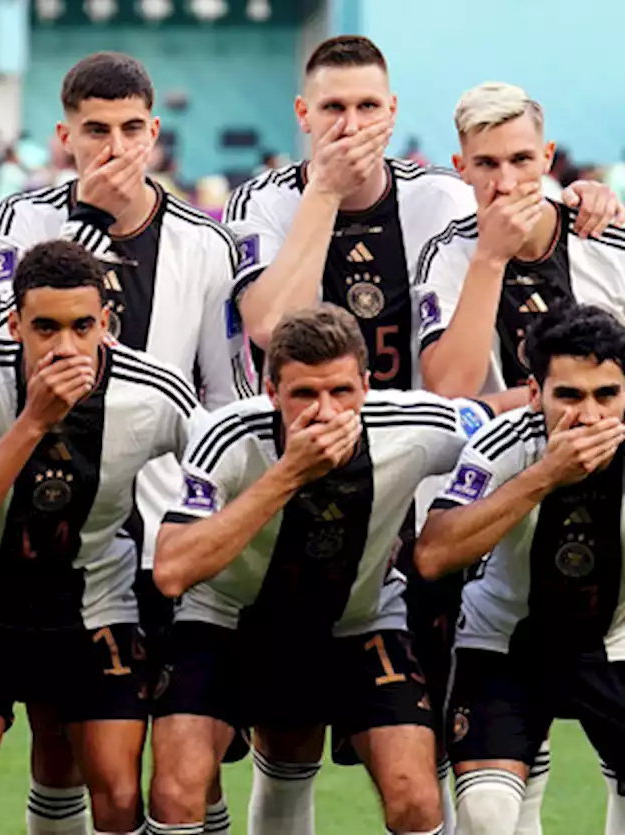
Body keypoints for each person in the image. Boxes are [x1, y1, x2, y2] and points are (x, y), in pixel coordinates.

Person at [223, 37, 622, 829]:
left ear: (393, 110)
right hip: (305, 482)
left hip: (438, 492)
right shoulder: (262, 202)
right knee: (290, 733)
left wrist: (582, 194)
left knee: (442, 745)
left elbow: (453, 388)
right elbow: (271, 327)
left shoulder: (442, 199)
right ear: (304, 115)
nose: (351, 124)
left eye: (368, 106)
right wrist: (326, 196)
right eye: (333, 108)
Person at [0, 51, 251, 834]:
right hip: (55, 519)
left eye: (131, 128)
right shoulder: (22, 222)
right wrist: (88, 223)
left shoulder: (205, 242)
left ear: (155, 132)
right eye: (95, 130)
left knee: (186, 748)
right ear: (65, 136)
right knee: (61, 743)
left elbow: (224, 394)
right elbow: (13, 348)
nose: (115, 147)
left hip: (164, 530)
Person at [150, 304, 498, 835]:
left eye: (341, 392)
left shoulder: (413, 424)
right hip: (226, 621)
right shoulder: (227, 436)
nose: (326, 412)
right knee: (176, 791)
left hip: (358, 623)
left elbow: (504, 423)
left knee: (415, 797)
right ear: (271, 393)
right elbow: (172, 570)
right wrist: (288, 474)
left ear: (366, 383)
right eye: (304, 395)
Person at [0, 240, 197, 835]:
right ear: (14, 323)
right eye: (45, 328)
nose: (65, 347)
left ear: (107, 324)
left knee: (120, 795)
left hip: (95, 601)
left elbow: (219, 468)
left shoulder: (154, 391)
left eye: (82, 327)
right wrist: (34, 420)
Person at [413, 303, 625, 835]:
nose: (591, 416)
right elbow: (434, 554)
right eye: (569, 396)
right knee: (485, 815)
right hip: (505, 642)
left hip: (616, 641)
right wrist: (547, 475)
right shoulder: (504, 442)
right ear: (535, 394)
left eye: (608, 395)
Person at [416, 82, 625, 412]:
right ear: (462, 168)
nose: (507, 184)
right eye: (486, 163)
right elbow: (449, 392)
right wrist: (491, 258)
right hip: (493, 456)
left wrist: (499, 403)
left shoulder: (606, 241)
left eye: (521, 160)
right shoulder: (446, 253)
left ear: (546, 157)